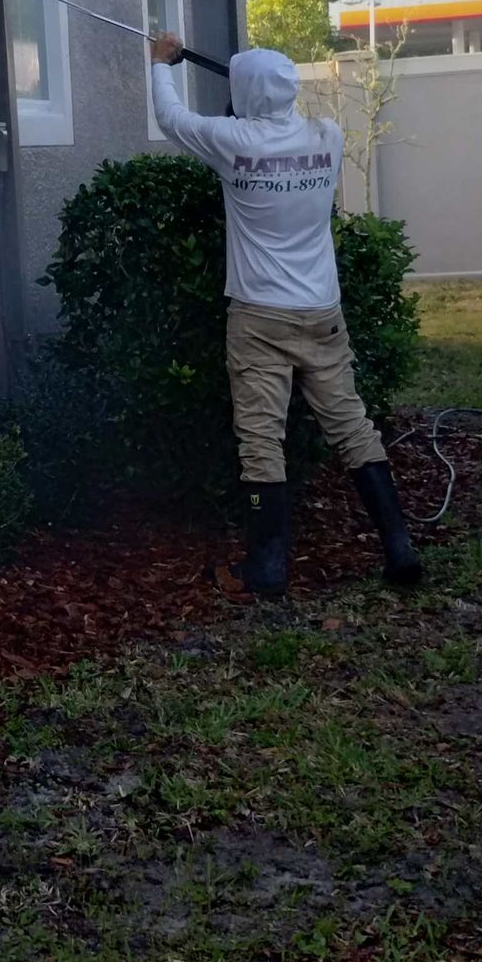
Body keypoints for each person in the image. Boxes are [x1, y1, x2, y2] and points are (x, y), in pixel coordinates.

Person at [148, 33, 422, 596]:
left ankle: (267, 566)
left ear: (245, 94)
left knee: (260, 441)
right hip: (321, 312)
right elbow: (269, 111)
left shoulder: (232, 142)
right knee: (351, 427)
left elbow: (173, 119)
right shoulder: (327, 135)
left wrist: (161, 64)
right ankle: (398, 545)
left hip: (259, 319)